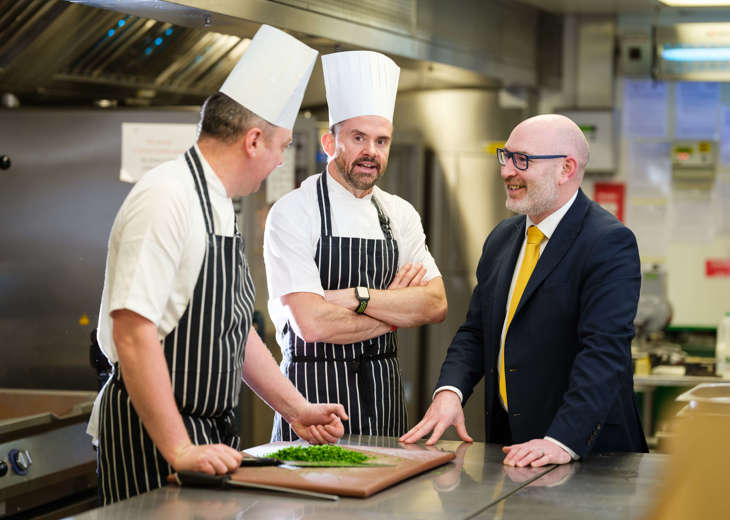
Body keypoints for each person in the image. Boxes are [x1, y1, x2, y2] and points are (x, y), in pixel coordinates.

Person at [87, 25, 347, 505]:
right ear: (253, 140)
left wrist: (295, 408)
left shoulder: (221, 206)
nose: (278, 160)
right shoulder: (166, 197)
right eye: (281, 146)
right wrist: (179, 447)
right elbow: (132, 331)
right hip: (154, 437)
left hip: (203, 438)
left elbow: (231, 326)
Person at [401, 114, 647, 466]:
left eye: (523, 160)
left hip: (586, 453)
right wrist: (450, 392)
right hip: (510, 445)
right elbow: (476, 331)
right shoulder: (502, 238)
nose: (506, 171)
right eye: (506, 156)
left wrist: (562, 440)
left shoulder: (608, 242)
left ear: (566, 169)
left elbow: (604, 353)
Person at [264, 50, 447, 441]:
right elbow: (311, 325)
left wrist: (353, 297)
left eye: (381, 141)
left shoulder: (400, 214)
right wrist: (396, 309)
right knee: (309, 502)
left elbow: (435, 304)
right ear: (330, 141)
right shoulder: (294, 211)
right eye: (358, 138)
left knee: (386, 499)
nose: (371, 152)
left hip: (385, 397)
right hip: (312, 399)